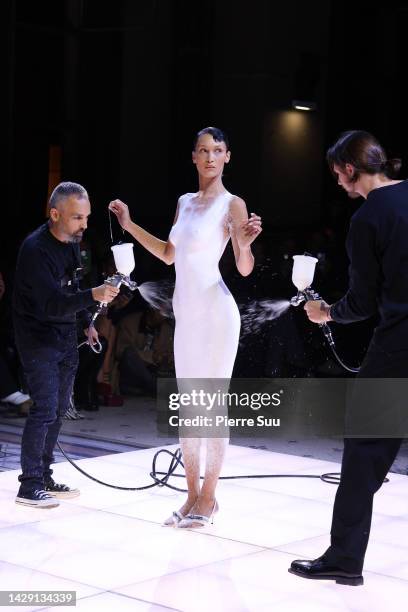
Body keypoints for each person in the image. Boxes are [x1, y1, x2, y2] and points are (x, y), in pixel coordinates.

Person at [109, 126, 262, 527]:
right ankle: (190, 495)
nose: (210, 157)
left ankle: (209, 498)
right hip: (188, 316)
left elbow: (244, 268)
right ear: (193, 157)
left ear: (228, 156)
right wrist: (128, 225)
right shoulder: (184, 202)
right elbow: (167, 254)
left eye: (218, 150)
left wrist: (244, 243)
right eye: (203, 150)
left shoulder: (233, 204)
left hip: (216, 314)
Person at [289, 130, 406, 586]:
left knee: (363, 452)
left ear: (351, 169)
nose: (337, 182)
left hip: (398, 347)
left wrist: (327, 313)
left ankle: (344, 557)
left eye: (338, 173)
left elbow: (363, 302)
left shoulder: (368, 218)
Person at [13, 181, 120, 508]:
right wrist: (93, 295)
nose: (84, 225)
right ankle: (29, 483)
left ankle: (43, 475)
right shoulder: (35, 250)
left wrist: (87, 320)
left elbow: (73, 287)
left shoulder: (73, 243)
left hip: (63, 335)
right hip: (37, 337)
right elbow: (50, 303)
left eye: (86, 217)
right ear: (55, 214)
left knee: (58, 410)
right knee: (44, 408)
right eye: (77, 218)